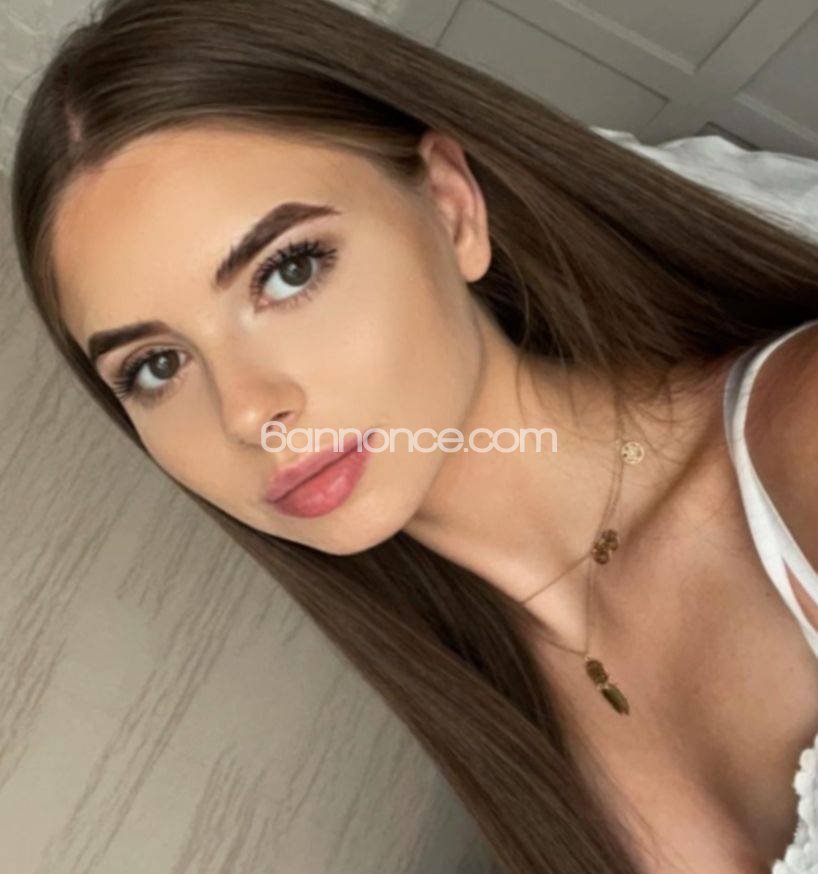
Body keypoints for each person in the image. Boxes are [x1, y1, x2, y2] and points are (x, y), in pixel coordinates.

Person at [9, 1, 818, 871]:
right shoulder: (503, 725)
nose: (244, 411)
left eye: (287, 270)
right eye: (156, 366)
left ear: (450, 207)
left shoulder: (800, 440)